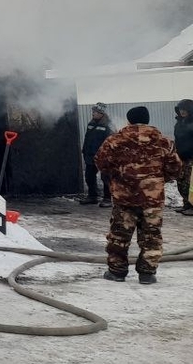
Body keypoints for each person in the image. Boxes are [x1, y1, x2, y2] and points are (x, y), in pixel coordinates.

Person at [93, 106, 182, 284]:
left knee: (119, 235)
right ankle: (147, 274)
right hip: (153, 198)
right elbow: (175, 168)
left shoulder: (116, 139)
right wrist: (156, 180)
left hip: (124, 197)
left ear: (129, 120)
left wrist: (117, 176)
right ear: (148, 120)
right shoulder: (163, 141)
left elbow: (101, 162)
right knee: (151, 235)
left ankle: (117, 272)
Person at [80, 103, 114, 207]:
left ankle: (107, 199)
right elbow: (87, 138)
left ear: (101, 113)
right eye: (93, 111)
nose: (93, 113)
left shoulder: (108, 125)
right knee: (89, 176)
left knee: (106, 177)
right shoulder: (91, 124)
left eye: (95, 112)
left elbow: (111, 142)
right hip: (90, 155)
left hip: (103, 156)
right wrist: (85, 150)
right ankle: (92, 196)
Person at [173, 99, 193, 215]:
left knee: (191, 184)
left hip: (191, 157)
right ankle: (186, 204)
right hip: (181, 157)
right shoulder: (179, 123)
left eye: (184, 109)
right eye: (180, 109)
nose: (182, 112)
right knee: (181, 182)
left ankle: (192, 205)